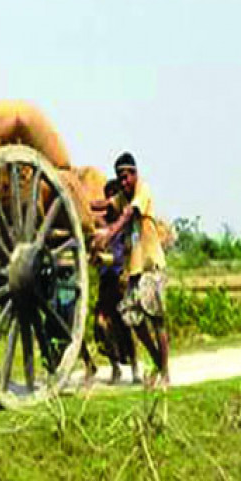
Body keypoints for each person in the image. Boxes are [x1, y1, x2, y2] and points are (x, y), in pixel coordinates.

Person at [92, 152, 169, 389]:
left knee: (156, 320)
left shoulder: (141, 192)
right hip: (136, 269)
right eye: (119, 177)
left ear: (134, 174)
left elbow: (127, 215)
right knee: (132, 319)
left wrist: (109, 233)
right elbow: (103, 205)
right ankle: (159, 364)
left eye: (125, 177)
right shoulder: (122, 197)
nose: (123, 182)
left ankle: (165, 374)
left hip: (150, 264)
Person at [92, 179, 140, 385]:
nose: (110, 200)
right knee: (102, 324)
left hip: (121, 278)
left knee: (126, 324)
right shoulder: (99, 224)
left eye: (114, 195)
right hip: (105, 280)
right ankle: (114, 367)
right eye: (108, 195)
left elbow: (132, 248)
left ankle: (136, 367)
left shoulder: (126, 223)